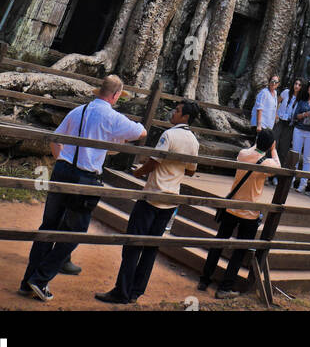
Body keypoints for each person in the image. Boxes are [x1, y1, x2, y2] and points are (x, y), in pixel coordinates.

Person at [21, 73, 146, 302]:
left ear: (99, 92)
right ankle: (40, 279)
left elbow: (55, 138)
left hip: (62, 170)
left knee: (48, 226)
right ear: (116, 95)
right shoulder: (113, 118)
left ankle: (27, 280)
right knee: (74, 232)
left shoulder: (78, 111)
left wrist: (62, 161)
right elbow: (141, 132)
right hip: (85, 177)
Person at [95, 99, 200, 305]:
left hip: (152, 195)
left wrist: (138, 171)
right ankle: (136, 291)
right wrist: (174, 166)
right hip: (171, 200)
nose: (173, 113)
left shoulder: (169, 135)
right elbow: (191, 170)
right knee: (151, 247)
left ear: (185, 116)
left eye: (177, 111)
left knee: (133, 244)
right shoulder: (193, 141)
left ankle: (121, 291)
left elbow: (153, 162)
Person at [196, 128, 279, 299]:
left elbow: (251, 152)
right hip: (249, 212)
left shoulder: (242, 153)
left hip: (232, 206)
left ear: (256, 139)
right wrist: (274, 150)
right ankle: (225, 287)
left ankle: (204, 279)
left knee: (219, 241)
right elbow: (278, 167)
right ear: (270, 144)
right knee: (239, 251)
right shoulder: (267, 164)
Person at [291, 81, 310, 193]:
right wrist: (305, 114)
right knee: (295, 155)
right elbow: (296, 116)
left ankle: (303, 184)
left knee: (307, 159)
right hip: (299, 130)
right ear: (308, 90)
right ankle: (290, 180)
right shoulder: (302, 102)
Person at [275, 77, 302, 166]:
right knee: (274, 143)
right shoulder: (286, 92)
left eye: (299, 85)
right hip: (280, 121)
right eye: (296, 84)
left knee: (284, 148)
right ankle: (268, 167)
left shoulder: (301, 98)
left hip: (290, 124)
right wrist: (275, 114)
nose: (297, 86)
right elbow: (277, 102)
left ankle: (277, 173)